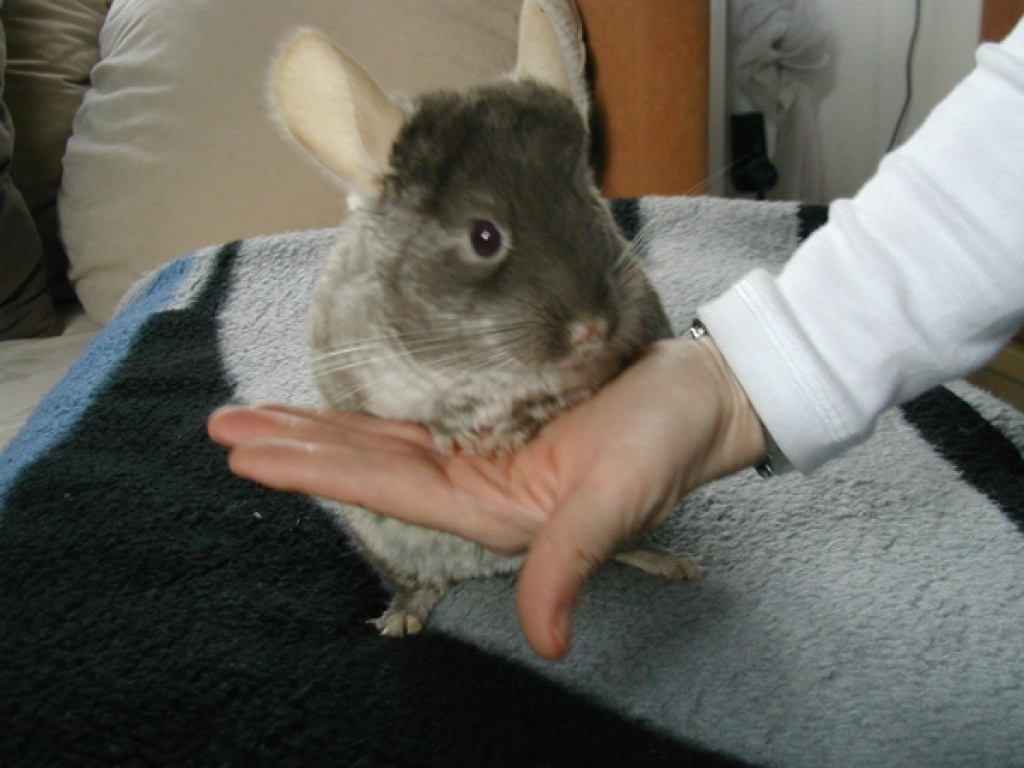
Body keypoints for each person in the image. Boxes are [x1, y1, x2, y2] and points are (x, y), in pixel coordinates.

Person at [208, 19, 1024, 660]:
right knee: (395, 527)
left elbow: (630, 333)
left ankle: (612, 543)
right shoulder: (363, 301)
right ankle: (417, 586)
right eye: (488, 241)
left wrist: (725, 389)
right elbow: (354, 376)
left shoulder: (606, 293)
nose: (586, 317)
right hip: (425, 493)